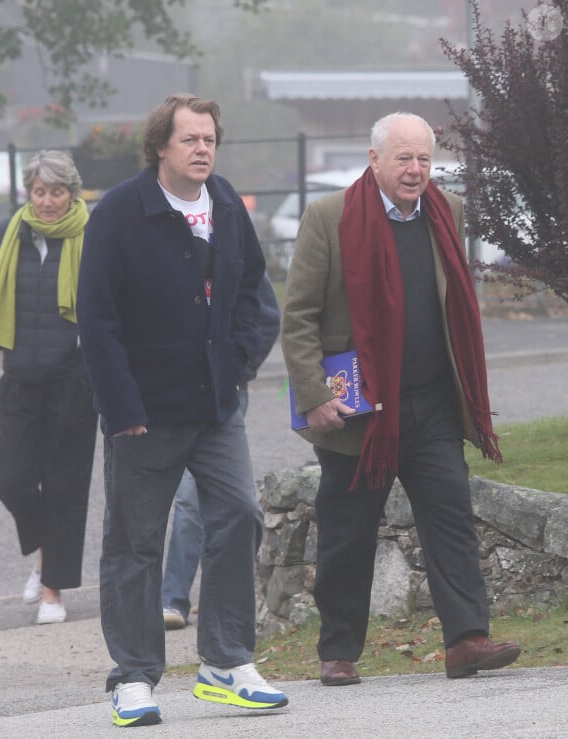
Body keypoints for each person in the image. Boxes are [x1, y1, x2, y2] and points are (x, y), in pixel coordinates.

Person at [281, 112, 521, 687]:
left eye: (424, 160)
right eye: (404, 159)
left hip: (433, 402)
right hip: (358, 412)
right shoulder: (328, 217)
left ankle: (466, 640)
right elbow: (299, 318)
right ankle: (338, 652)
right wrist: (313, 396)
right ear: (374, 160)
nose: (416, 171)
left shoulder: (447, 211)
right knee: (347, 534)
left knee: (451, 520)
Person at [76, 93, 288, 728]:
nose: (203, 149)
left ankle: (224, 662)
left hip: (216, 407)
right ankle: (135, 678)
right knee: (136, 543)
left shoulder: (225, 203)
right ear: (160, 147)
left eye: (210, 139)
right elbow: (97, 319)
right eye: (190, 139)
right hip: (144, 412)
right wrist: (121, 408)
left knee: (239, 514)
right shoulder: (119, 213)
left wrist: (239, 364)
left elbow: (254, 291)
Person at [0, 150, 98, 626]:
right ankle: (44, 552)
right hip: (20, 378)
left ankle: (52, 588)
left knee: (65, 487)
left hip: (74, 381)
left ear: (71, 194)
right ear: (28, 193)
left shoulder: (92, 235)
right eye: (39, 191)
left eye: (56, 192)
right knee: (8, 476)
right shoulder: (9, 234)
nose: (47, 201)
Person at [162, 271, 280, 630]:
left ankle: (176, 599)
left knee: (199, 499)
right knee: (172, 500)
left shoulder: (228, 236)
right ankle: (172, 598)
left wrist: (239, 367)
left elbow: (268, 315)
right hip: (166, 392)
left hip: (222, 393)